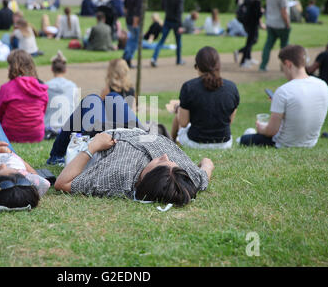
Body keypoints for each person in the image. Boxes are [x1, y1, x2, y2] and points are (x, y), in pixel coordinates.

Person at [54, 129, 214, 208]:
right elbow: (207, 164)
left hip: (102, 136)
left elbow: (63, 183)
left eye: (160, 162)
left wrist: (93, 145)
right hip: (137, 130)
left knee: (93, 101)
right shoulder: (187, 178)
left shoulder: (118, 177)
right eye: (171, 163)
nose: (165, 156)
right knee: (113, 97)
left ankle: (55, 155)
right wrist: (201, 166)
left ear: (148, 177)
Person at [241, 45, 328, 148]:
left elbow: (271, 131)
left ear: (288, 64)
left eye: (282, 67)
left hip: (284, 144)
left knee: (245, 137)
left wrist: (261, 128)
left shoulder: (284, 91)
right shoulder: (323, 85)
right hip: (310, 143)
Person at [171, 47, 239, 149]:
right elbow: (229, 121)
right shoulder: (232, 87)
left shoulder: (189, 87)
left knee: (178, 115)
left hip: (196, 142)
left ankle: (172, 144)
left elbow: (183, 123)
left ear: (198, 66)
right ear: (218, 66)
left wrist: (179, 109)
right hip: (224, 143)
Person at [0, 50, 49, 143]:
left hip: (11, 135)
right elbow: (42, 111)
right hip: (36, 135)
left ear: (13, 67)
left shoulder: (6, 88)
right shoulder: (40, 87)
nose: (8, 68)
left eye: (9, 65)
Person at [259, 0, 291, 72]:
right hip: (281, 24)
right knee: (284, 47)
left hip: (270, 22)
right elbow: (284, 11)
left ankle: (263, 65)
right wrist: (287, 24)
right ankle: (284, 67)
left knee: (268, 45)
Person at [150, 0, 185, 68]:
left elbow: (162, 6)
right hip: (176, 22)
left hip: (167, 20)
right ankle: (178, 60)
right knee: (178, 42)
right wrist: (180, 26)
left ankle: (154, 58)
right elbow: (179, 12)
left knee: (161, 41)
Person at [44, 51, 78, 137]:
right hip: (68, 130)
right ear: (65, 69)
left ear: (52, 69)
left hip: (48, 128)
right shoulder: (73, 86)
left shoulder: (45, 86)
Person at [234, 0, 265, 68]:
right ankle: (244, 60)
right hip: (253, 24)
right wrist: (262, 12)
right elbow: (257, 15)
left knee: (250, 41)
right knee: (250, 42)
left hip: (246, 22)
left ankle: (247, 58)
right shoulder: (256, 1)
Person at [122, 0, 145, 68]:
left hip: (128, 19)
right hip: (134, 21)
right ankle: (127, 59)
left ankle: (125, 58)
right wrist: (135, 22)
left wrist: (128, 17)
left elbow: (125, 7)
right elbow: (137, 10)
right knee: (134, 41)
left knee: (131, 39)